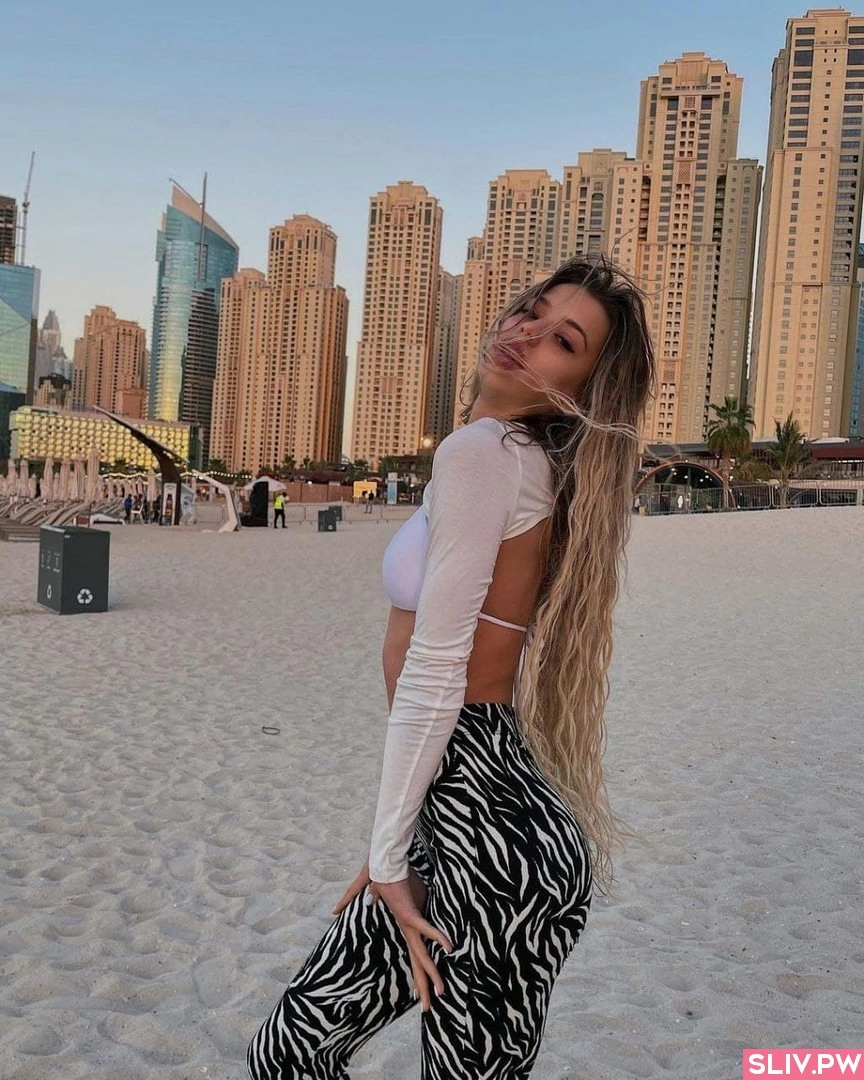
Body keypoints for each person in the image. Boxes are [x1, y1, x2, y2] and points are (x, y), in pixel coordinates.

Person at [247, 256, 655, 1080]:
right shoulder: (518, 461)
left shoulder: (485, 453)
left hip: (488, 831)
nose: (528, 333)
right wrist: (398, 836)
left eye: (564, 341)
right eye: (533, 311)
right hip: (470, 811)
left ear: (579, 391)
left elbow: (439, 668)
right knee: (290, 1052)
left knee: (292, 1055)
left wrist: (391, 852)